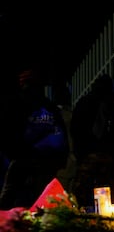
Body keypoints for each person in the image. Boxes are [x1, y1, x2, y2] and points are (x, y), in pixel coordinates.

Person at [0, 69, 69, 209]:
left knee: (15, 207)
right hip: (32, 165)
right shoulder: (46, 107)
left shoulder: (18, 105)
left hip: (33, 165)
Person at [70, 74, 114, 207]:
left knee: (84, 192)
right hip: (108, 156)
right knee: (110, 193)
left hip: (89, 154)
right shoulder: (111, 104)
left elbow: (75, 129)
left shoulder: (84, 102)